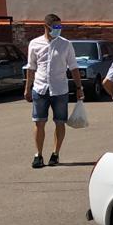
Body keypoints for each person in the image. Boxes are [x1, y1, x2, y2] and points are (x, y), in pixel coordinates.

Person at [24, 13, 84, 169]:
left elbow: (74, 67)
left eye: (60, 27)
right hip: (40, 88)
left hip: (60, 90)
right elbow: (31, 67)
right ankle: (38, 155)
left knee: (59, 122)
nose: (59, 29)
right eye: (56, 27)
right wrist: (27, 89)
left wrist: (79, 88)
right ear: (46, 26)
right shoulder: (34, 43)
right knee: (39, 122)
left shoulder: (66, 44)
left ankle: (55, 154)